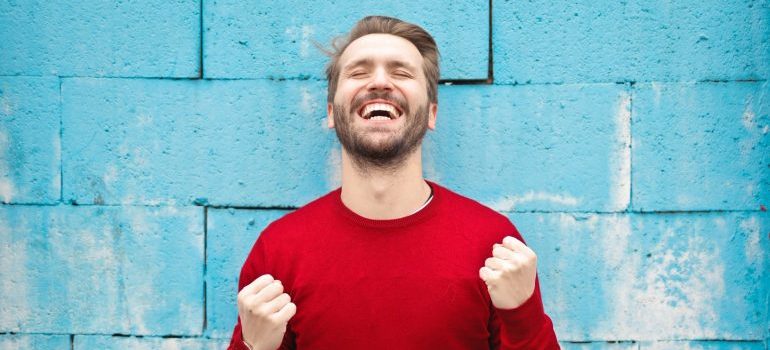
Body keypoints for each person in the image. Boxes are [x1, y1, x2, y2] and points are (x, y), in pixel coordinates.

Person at [228, 15, 559, 350]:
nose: (380, 82)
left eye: (401, 72)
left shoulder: (493, 246)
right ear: (331, 112)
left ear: (431, 113)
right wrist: (252, 347)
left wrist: (523, 316)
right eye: (359, 72)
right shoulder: (278, 252)